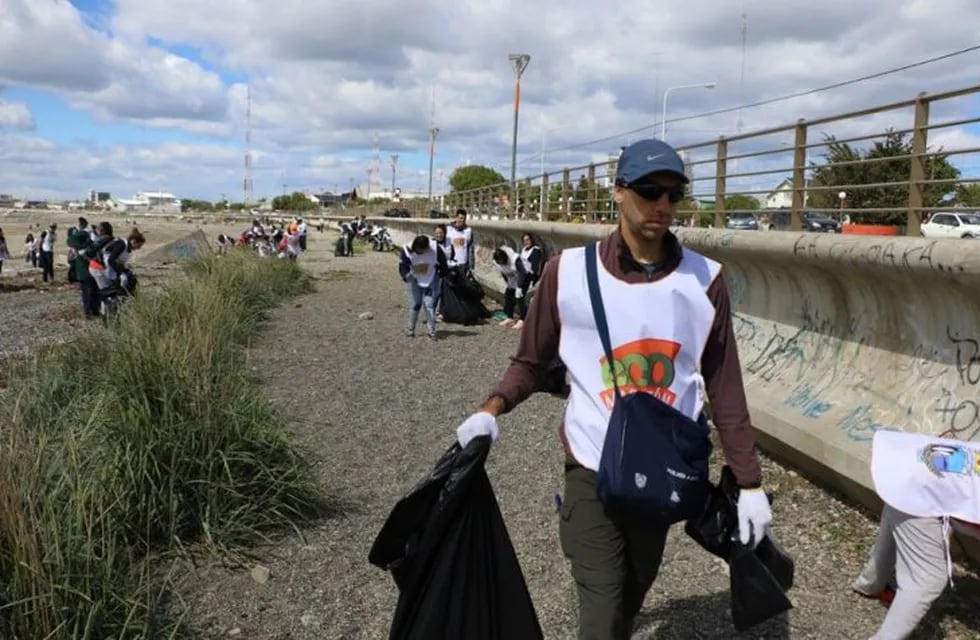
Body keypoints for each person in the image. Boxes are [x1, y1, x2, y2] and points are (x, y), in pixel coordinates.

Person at [452, 139, 772, 639]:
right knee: (600, 609)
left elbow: (724, 387)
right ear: (618, 193)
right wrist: (491, 409)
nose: (663, 206)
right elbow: (530, 363)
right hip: (591, 466)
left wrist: (749, 482)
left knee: (633, 590)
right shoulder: (568, 274)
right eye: (649, 191)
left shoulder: (705, 281)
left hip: (664, 468)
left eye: (674, 194)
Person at [853, 430, 980, 640]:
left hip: (908, 465)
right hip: (922, 488)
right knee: (928, 578)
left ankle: (870, 583)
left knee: (900, 505)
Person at [398, 234, 447, 340]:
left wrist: (441, 273)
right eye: (419, 251)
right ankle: (410, 329)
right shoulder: (406, 250)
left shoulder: (434, 248)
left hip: (431, 277)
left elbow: (443, 262)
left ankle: (431, 331)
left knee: (429, 305)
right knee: (416, 304)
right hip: (414, 278)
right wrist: (407, 275)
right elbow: (403, 267)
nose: (422, 253)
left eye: (424, 250)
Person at [66, 219, 98, 318]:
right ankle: (90, 312)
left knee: (88, 291)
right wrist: (81, 247)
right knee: (89, 291)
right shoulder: (85, 235)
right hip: (86, 271)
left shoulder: (86, 236)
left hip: (85, 271)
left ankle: (90, 311)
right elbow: (71, 241)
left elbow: (70, 241)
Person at [491, 246, 526, 329]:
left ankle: (523, 319)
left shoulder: (514, 259)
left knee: (519, 299)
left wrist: (519, 287)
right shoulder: (497, 263)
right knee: (508, 297)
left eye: (501, 261)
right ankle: (510, 317)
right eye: (498, 262)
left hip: (522, 279)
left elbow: (522, 272)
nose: (500, 263)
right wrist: (508, 283)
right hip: (511, 280)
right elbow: (503, 272)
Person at [432, 223, 454, 317]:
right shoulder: (432, 244)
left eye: (441, 233)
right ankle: (431, 313)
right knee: (436, 293)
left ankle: (442, 311)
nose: (439, 235)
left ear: (444, 233)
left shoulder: (449, 243)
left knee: (444, 293)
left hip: (447, 270)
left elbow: (453, 255)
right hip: (437, 272)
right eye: (437, 233)